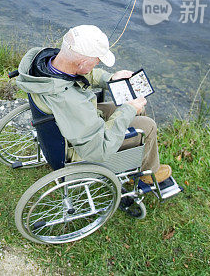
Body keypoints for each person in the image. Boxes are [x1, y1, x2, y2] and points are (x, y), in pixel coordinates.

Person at [15, 24, 171, 184]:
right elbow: (100, 149)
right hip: (84, 147)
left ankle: (138, 154)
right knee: (149, 126)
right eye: (96, 62)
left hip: (72, 121)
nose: (97, 65)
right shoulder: (72, 102)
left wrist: (111, 78)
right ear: (81, 62)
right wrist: (128, 109)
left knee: (137, 111)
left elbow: (79, 75)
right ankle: (148, 173)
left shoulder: (48, 64)